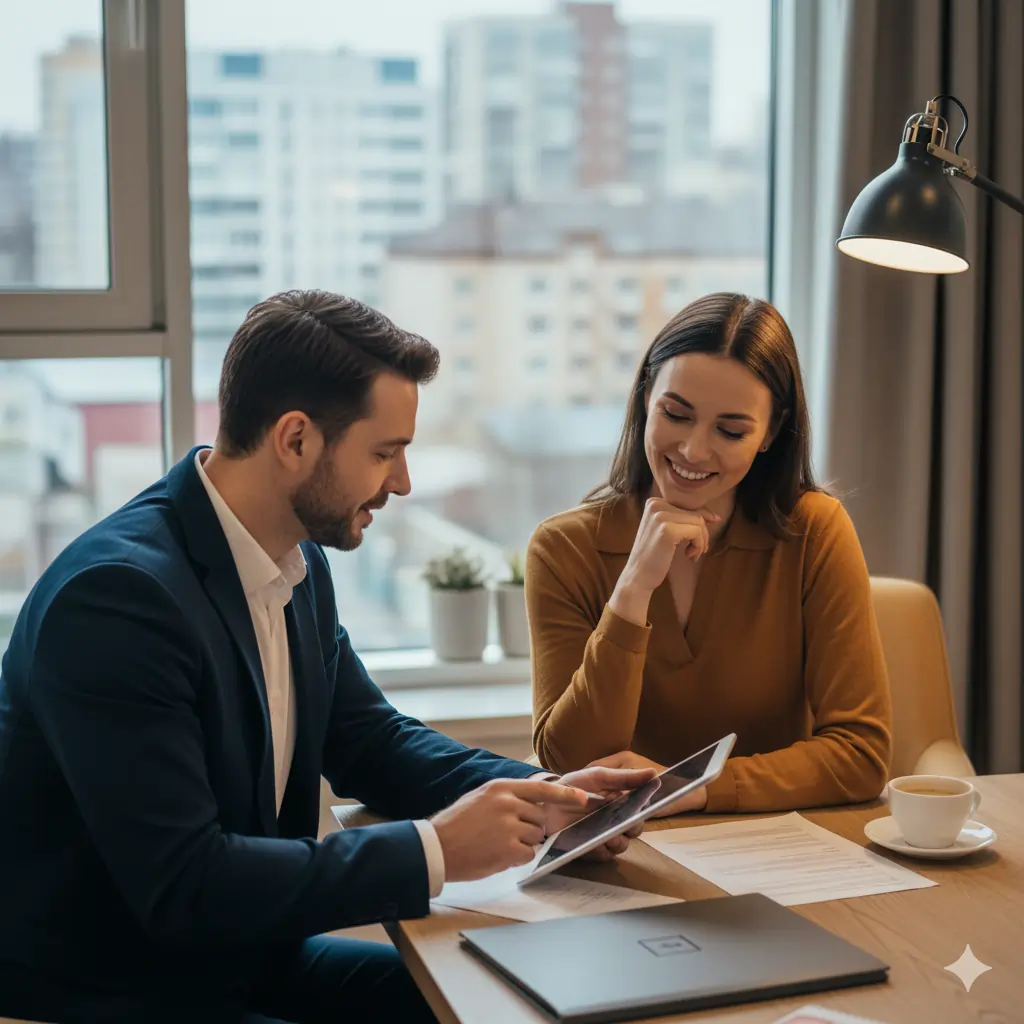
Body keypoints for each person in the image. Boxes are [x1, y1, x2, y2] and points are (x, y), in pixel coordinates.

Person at [0, 291, 654, 1024]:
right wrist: (435, 849)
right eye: (384, 452)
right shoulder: (119, 601)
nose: (402, 482)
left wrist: (549, 799)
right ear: (295, 440)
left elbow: (369, 740)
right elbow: (184, 885)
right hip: (117, 990)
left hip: (242, 960)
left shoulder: (296, 559)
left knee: (508, 1004)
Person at [526, 292, 892, 815]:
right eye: (676, 414)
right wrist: (632, 590)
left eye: (730, 430)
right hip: (623, 845)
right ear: (646, 399)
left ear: (769, 433)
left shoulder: (814, 531)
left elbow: (861, 754)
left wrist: (690, 788)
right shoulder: (563, 549)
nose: (694, 450)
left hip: (774, 840)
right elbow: (571, 763)